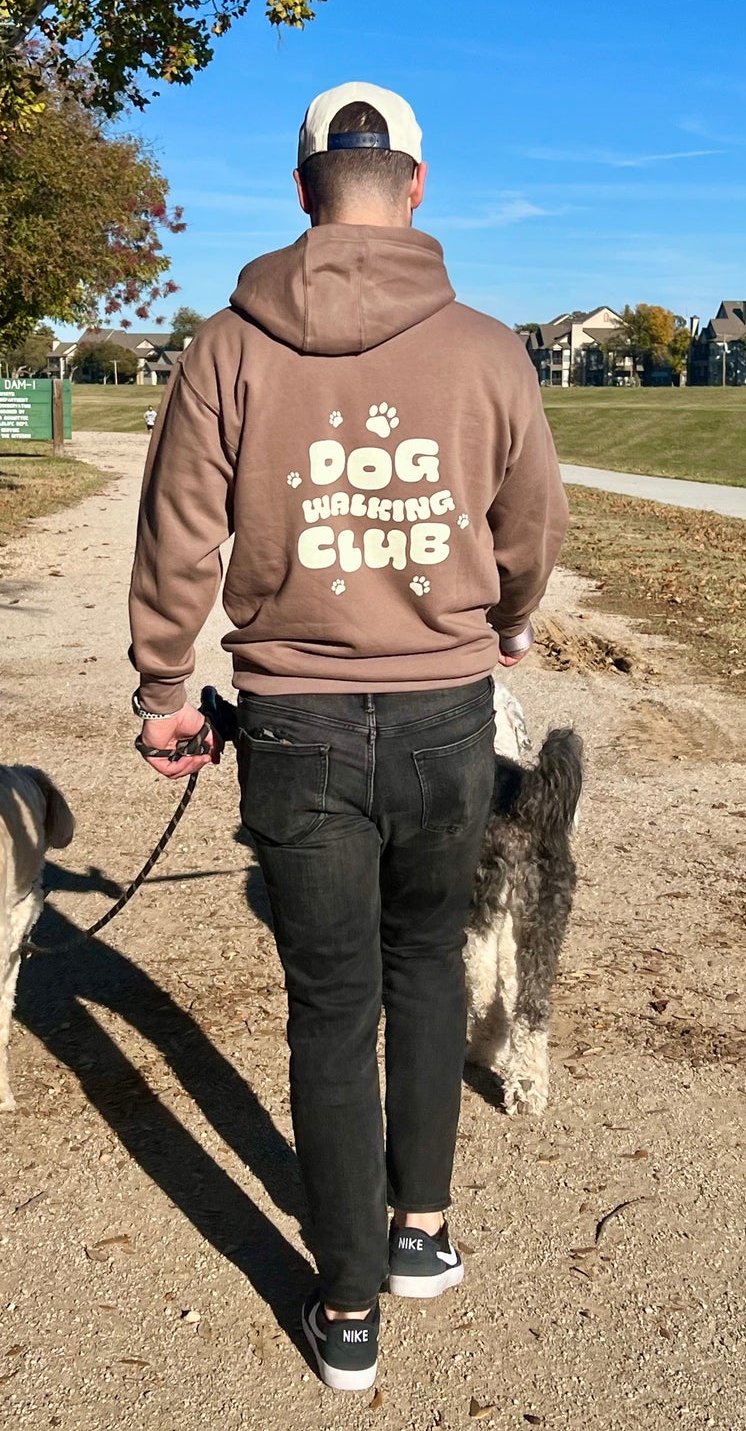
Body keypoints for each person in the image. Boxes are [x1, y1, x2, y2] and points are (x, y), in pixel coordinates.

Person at [126, 82, 566, 1393]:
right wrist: (510, 624)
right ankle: (418, 1233)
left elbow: (175, 535)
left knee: (329, 1006)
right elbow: (530, 523)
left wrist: (164, 684)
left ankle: (349, 1304)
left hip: (294, 725)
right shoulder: (488, 349)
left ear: (304, 184)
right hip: (443, 720)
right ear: (415, 187)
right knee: (424, 968)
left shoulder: (226, 348)